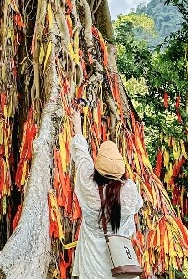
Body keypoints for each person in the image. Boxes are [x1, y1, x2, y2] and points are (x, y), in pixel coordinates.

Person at [69, 109, 144, 278]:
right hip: (119, 259)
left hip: (92, 260)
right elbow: (138, 205)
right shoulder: (129, 190)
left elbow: (81, 155)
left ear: (97, 167)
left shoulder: (87, 184)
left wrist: (77, 124)